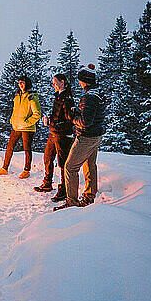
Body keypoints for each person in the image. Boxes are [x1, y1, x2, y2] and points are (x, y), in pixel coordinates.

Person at [54, 64, 105, 211]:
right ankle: (89, 197)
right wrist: (79, 111)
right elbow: (92, 115)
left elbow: (85, 121)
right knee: (89, 164)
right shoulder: (98, 93)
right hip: (96, 135)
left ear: (85, 81)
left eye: (81, 80)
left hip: (86, 137)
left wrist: (72, 117)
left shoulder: (88, 97)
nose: (79, 83)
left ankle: (72, 203)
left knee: (70, 167)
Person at [34, 74, 74, 202]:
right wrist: (50, 119)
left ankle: (64, 190)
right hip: (53, 133)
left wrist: (56, 125)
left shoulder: (67, 98)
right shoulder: (58, 95)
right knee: (47, 157)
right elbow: (59, 115)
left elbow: (69, 119)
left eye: (55, 82)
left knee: (63, 163)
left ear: (62, 82)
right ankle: (47, 183)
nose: (53, 85)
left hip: (62, 135)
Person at [0, 75, 41, 179]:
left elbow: (37, 114)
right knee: (9, 147)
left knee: (27, 149)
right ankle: (4, 168)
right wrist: (12, 120)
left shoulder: (31, 97)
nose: (20, 84)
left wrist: (26, 123)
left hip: (27, 128)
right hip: (16, 126)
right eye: (19, 82)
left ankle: (26, 170)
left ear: (27, 84)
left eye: (22, 82)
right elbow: (15, 110)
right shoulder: (17, 96)